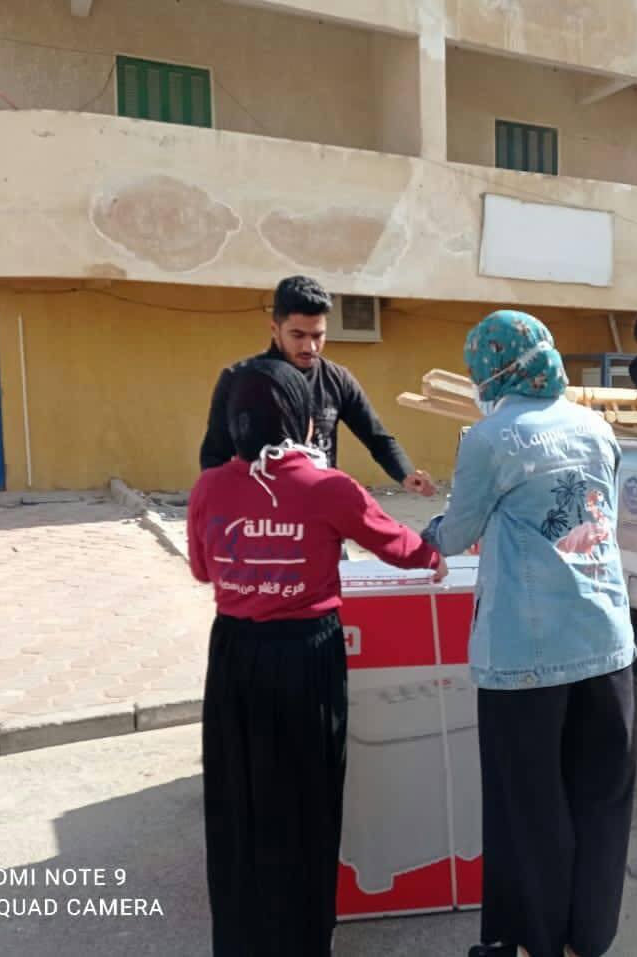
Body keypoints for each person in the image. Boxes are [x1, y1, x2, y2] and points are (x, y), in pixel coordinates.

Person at [188, 357, 446, 956]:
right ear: (302, 420)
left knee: (239, 798)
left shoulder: (209, 487)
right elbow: (401, 547)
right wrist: (436, 557)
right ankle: (302, 940)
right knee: (305, 800)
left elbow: (204, 569)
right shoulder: (328, 486)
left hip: (233, 660)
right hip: (305, 659)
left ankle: (241, 939)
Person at [422, 311, 637, 957]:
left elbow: (457, 533)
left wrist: (424, 534)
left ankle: (534, 943)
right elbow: (600, 517)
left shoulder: (492, 436)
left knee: (531, 810)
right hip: (606, 642)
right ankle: (588, 940)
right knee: (600, 801)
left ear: (493, 368)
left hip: (527, 658)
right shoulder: (597, 427)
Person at [199, 275, 436, 495]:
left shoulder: (337, 379)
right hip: (261, 517)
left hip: (319, 509)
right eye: (298, 335)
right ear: (275, 329)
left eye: (317, 336)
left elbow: (377, 439)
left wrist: (406, 474)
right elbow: (214, 456)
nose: (309, 348)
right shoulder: (239, 379)